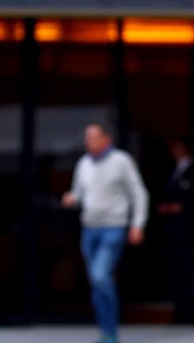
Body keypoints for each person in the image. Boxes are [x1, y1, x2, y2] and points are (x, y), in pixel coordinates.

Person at [62, 123, 149, 343]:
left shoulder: (121, 161)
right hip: (89, 229)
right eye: (87, 137)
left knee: (100, 276)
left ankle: (110, 331)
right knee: (97, 281)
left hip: (113, 227)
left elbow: (138, 193)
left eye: (93, 137)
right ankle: (105, 330)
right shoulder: (84, 163)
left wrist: (137, 224)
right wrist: (72, 198)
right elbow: (79, 194)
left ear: (106, 139)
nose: (88, 141)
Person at [157, 138, 194, 322]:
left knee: (191, 268)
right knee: (176, 269)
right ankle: (180, 309)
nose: (174, 151)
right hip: (174, 230)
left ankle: (193, 310)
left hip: (190, 230)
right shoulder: (172, 170)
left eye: (177, 148)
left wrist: (180, 207)